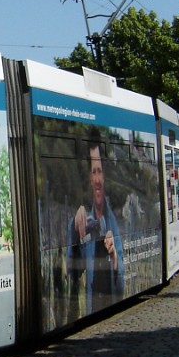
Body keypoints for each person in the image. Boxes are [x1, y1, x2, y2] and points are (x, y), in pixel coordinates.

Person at [68, 128, 124, 313]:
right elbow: (72, 273)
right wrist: (75, 231)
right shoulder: (82, 220)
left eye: (100, 171)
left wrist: (114, 255)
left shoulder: (113, 221)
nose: (97, 179)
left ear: (105, 176)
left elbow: (121, 286)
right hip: (93, 308)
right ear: (89, 178)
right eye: (94, 172)